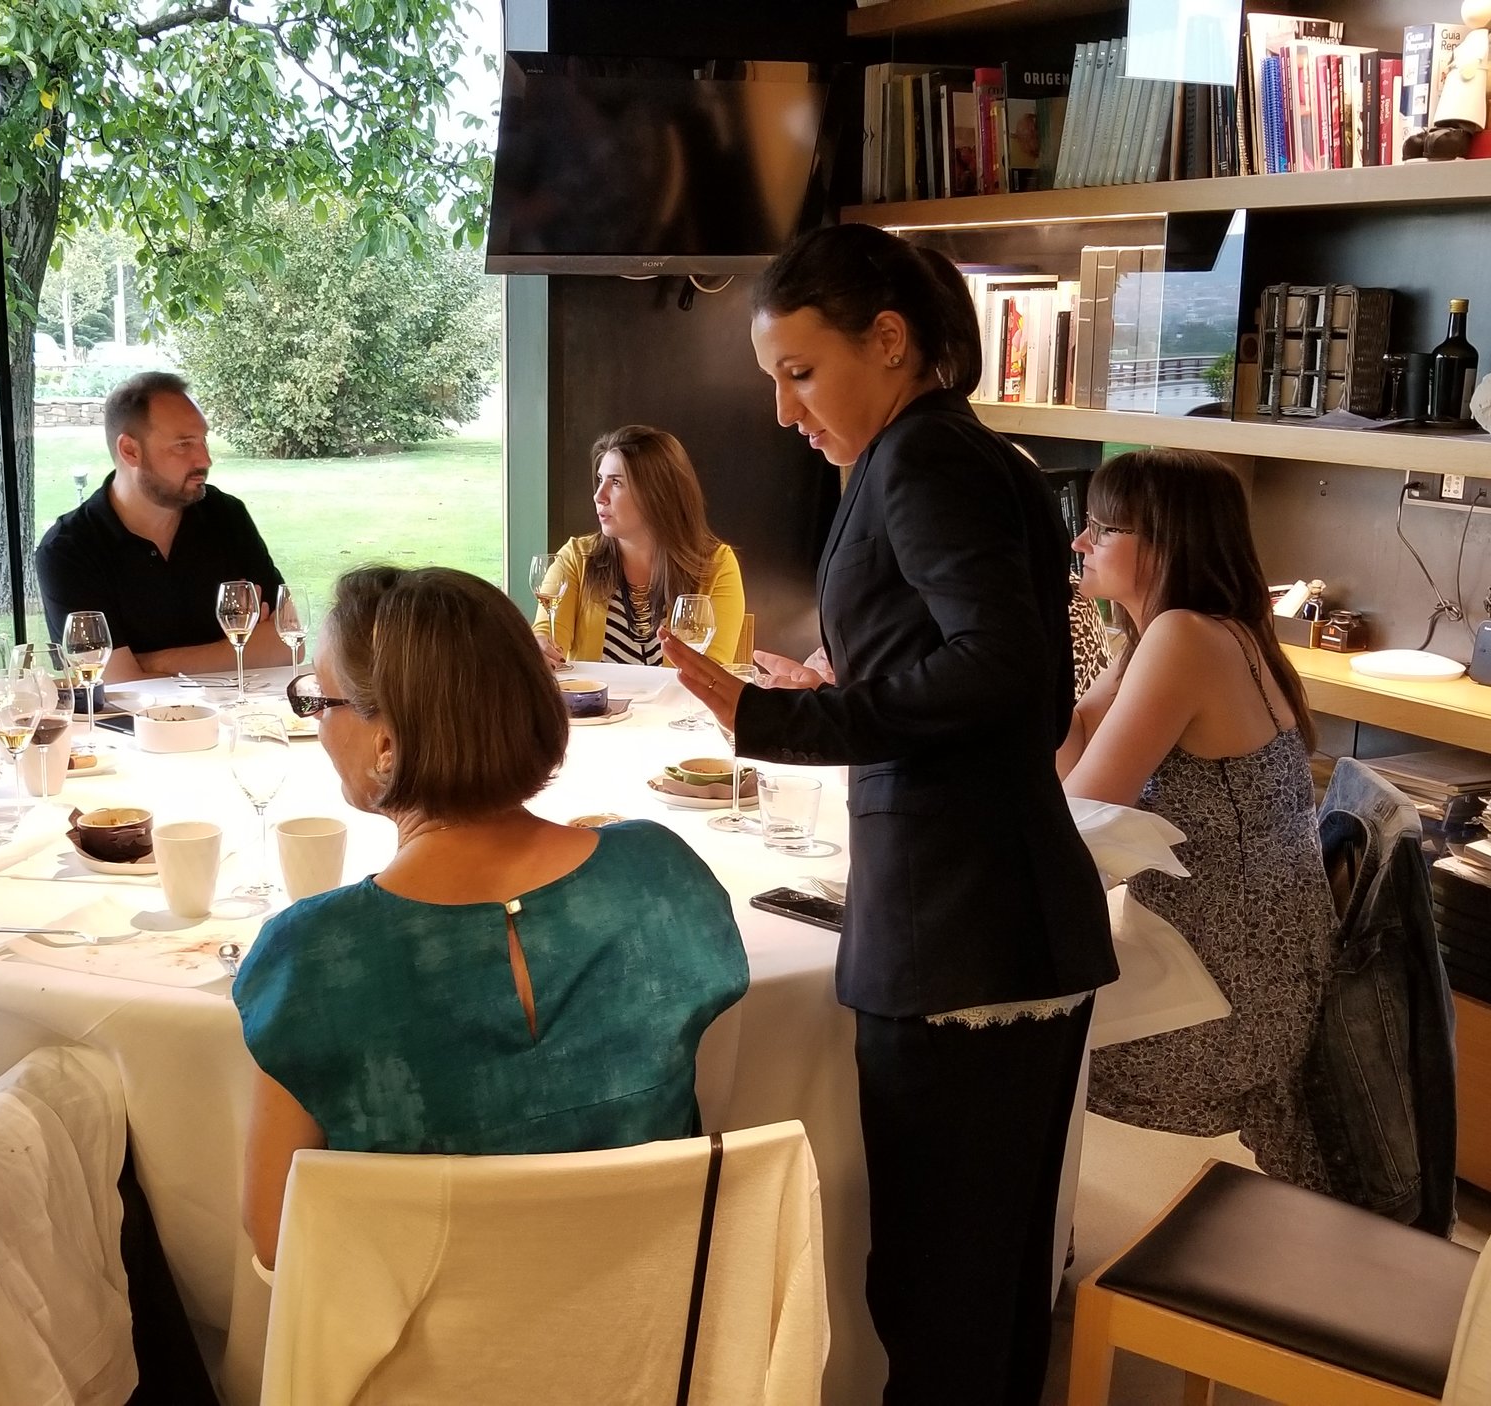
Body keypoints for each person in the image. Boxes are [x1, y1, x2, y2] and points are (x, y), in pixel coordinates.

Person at [663, 223, 1116, 1406]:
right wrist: (836, 689)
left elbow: (1006, 672)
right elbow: (1008, 674)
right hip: (999, 919)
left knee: (935, 1302)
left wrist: (789, 724)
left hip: (963, 934)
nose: (781, 410)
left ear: (890, 340)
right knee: (985, 1296)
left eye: (800, 373)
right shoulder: (952, 453)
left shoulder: (922, 460)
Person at [233, 565, 749, 1268]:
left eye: (322, 701)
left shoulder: (313, 956)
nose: (319, 726)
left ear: (388, 742)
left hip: (420, 1362)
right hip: (650, 1350)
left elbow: (275, 1234)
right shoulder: (663, 880)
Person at [1055, 448, 1335, 1191]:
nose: (1080, 544)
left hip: (1225, 995)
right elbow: (1070, 748)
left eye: (1101, 530)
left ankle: (1035, 1262)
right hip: (1244, 968)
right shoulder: (1187, 633)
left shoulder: (1182, 639)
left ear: (1166, 546)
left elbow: (1076, 812)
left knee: (1008, 1032)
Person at [33, 370, 285, 681]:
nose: (204, 459)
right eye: (183, 444)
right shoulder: (68, 550)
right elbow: (115, 685)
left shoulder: (225, 516)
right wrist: (234, 654)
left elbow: (287, 645)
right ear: (130, 451)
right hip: (130, 730)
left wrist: (151, 663)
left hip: (242, 723)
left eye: (203, 440)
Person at [531, 425, 746, 667]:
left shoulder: (715, 564)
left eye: (616, 483)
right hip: (594, 706)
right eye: (600, 480)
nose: (598, 495)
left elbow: (711, 673)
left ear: (658, 493)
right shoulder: (576, 557)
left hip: (680, 706)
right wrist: (540, 645)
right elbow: (545, 635)